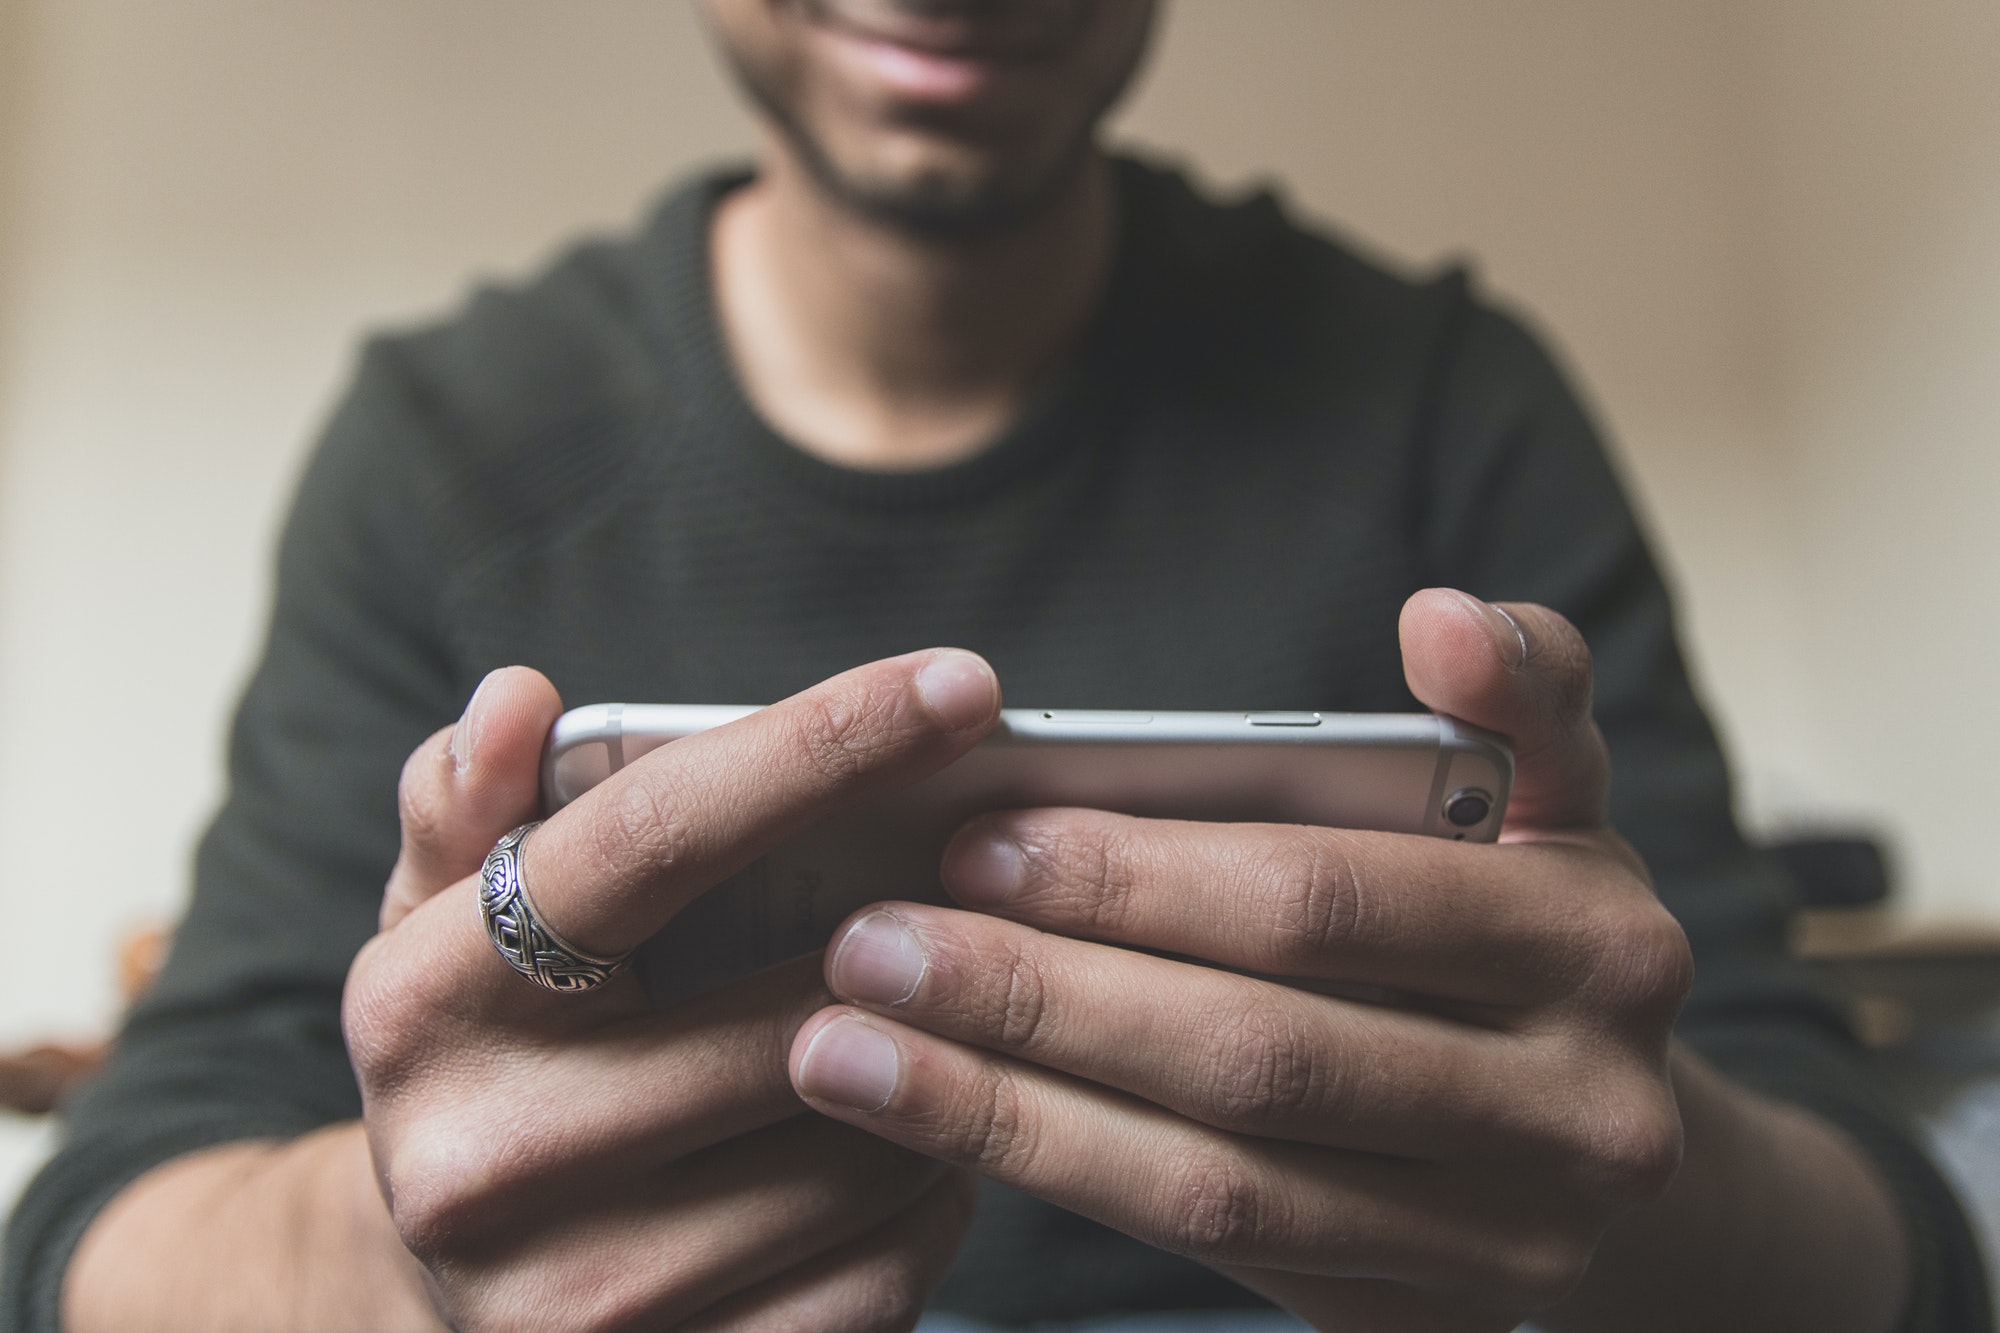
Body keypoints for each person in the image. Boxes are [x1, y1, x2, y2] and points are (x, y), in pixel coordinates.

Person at [4, 2, 1987, 1330]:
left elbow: (1897, 1245)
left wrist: (1634, 1189)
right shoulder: (437, 446)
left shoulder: (1446, 400)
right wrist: (403, 1252)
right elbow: (93, 1241)